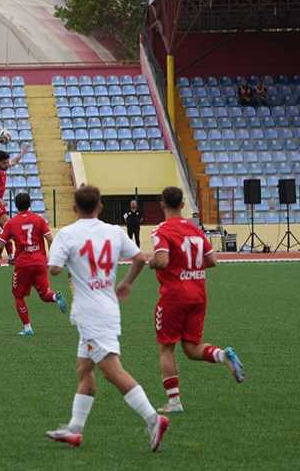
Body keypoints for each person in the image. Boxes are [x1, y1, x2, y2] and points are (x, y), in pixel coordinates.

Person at [43, 185, 170, 451]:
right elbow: (139, 258)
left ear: (75, 208)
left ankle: (153, 419)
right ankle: (75, 429)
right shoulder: (113, 232)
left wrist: (64, 262)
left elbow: (54, 270)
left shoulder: (67, 234)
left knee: (112, 371)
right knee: (83, 369)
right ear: (99, 206)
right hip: (106, 308)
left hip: (91, 316)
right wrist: (126, 284)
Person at [117, 186, 244, 415]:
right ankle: (223, 355)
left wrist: (152, 262)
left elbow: (163, 261)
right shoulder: (195, 230)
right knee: (192, 347)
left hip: (175, 295)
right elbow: (212, 260)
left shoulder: (161, 230)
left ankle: (174, 402)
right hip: (198, 293)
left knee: (166, 348)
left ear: (162, 204)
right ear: (183, 205)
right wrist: (190, 267)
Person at [0, 193, 67, 336]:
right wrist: (51, 256)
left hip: (22, 265)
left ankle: (27, 328)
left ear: (15, 205)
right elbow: (50, 239)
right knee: (45, 293)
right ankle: (55, 297)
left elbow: (0, 245)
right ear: (30, 204)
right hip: (40, 262)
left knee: (18, 296)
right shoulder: (39, 219)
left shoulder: (11, 223)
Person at [0, 144, 29, 253]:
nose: (7, 164)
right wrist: (1, 202)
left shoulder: (2, 167)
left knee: (7, 228)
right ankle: (20, 250)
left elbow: (14, 162)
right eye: (4, 162)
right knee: (10, 225)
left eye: (6, 162)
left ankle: (11, 255)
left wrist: (22, 153)